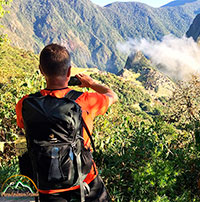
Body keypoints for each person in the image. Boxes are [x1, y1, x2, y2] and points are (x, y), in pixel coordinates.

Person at [16, 43, 118, 202]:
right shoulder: (85, 101)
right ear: (69, 71)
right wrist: (90, 84)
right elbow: (112, 95)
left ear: (41, 70)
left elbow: (25, 127)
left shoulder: (25, 104)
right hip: (84, 182)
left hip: (44, 185)